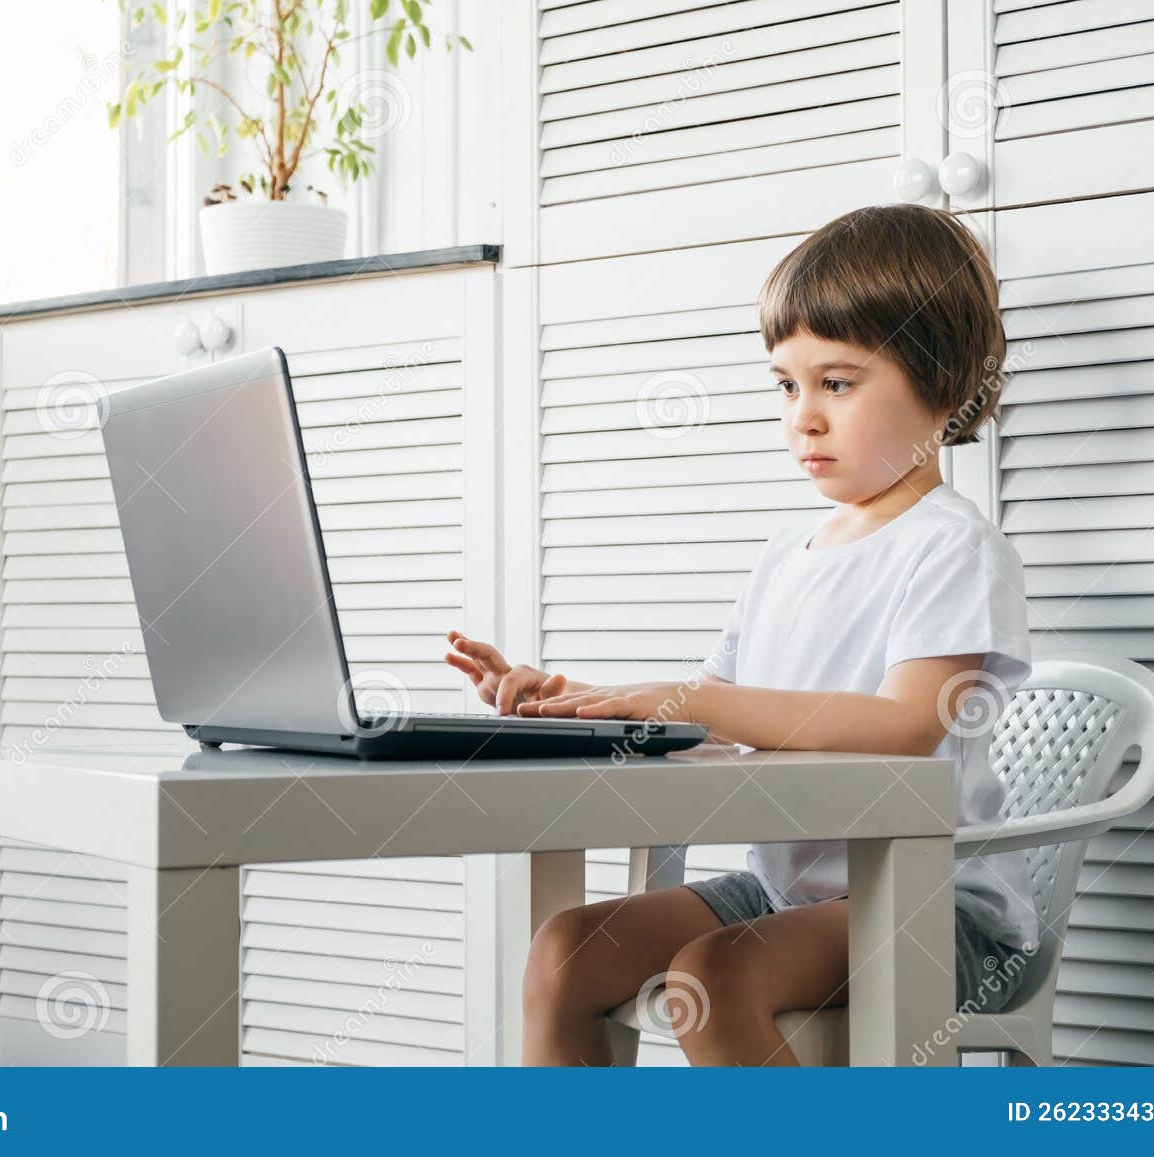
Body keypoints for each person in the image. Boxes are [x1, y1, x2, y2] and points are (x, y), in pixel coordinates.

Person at [444, 203, 1039, 1066]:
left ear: (943, 384)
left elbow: (905, 727)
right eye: (786, 386)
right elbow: (709, 718)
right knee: (566, 952)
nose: (804, 416)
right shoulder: (785, 555)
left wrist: (693, 700)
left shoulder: (955, 546)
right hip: (785, 893)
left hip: (931, 903)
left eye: (837, 383)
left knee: (716, 976)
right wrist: (579, 701)